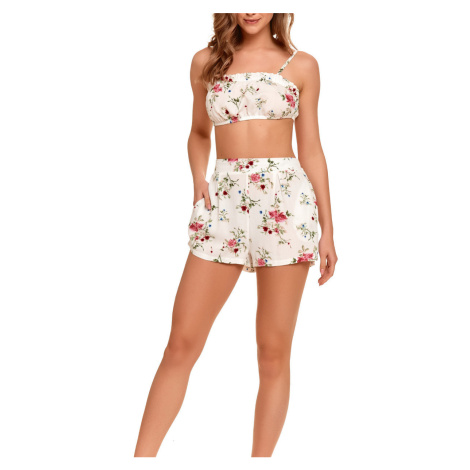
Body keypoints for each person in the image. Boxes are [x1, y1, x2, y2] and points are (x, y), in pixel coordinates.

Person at [134, 13, 338, 457]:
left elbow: (312, 150)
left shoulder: (302, 65)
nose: (250, 10)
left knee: (272, 352)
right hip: (223, 206)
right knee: (180, 344)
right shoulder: (205, 62)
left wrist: (328, 230)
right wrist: (198, 178)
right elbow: (198, 133)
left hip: (286, 209)